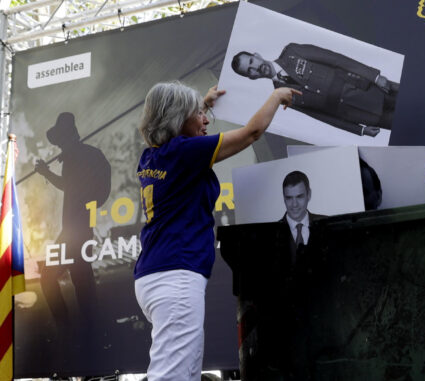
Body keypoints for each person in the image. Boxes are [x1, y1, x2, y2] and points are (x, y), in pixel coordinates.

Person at [134, 81, 299, 380]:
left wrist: (203, 103)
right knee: (172, 376)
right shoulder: (186, 152)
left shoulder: (153, 156)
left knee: (184, 372)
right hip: (176, 277)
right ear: (177, 119)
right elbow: (252, 133)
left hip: (155, 276)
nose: (206, 119)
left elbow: (185, 129)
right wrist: (276, 96)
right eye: (198, 114)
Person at [34, 112, 111, 354]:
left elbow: (70, 185)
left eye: (60, 140)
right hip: (77, 228)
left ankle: (70, 329)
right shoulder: (78, 155)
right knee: (81, 281)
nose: (58, 145)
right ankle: (89, 333)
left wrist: (46, 173)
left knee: (51, 275)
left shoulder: (80, 156)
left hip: (75, 229)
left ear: (67, 138)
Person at [231, 43, 399, 138]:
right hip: (363, 115)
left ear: (257, 54)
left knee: (417, 98)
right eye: (250, 70)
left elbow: (336, 59)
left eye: (252, 61)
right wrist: (359, 130)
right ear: (251, 78)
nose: (256, 68)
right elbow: (321, 116)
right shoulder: (282, 96)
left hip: (370, 89)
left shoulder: (292, 52)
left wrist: (373, 76)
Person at [279, 170, 326, 260]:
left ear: (309, 195)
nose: (294, 204)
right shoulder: (270, 234)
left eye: (299, 197)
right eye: (289, 198)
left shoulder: (328, 225)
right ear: (284, 198)